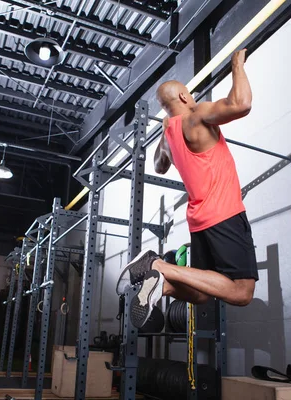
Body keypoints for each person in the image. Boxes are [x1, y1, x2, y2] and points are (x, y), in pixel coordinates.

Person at [116, 49, 259, 328]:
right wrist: (237, 65)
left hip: (198, 220)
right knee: (242, 292)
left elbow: (159, 166)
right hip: (224, 213)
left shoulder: (169, 132)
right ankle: (158, 266)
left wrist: (166, 132)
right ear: (183, 97)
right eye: (189, 94)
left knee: (201, 293)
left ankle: (161, 286)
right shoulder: (197, 114)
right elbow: (241, 104)